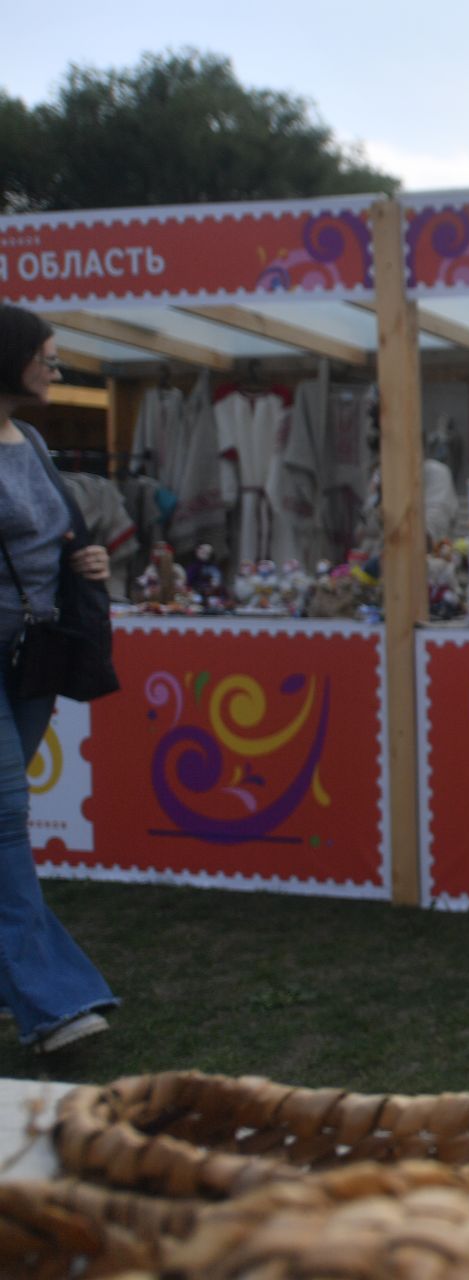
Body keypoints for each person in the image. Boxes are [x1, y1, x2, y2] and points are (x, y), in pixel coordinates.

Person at [0, 305, 119, 1054]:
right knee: (6, 824)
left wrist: (89, 562)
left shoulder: (34, 441)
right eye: (45, 353)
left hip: (32, 660)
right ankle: (54, 1005)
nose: (55, 365)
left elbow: (57, 536)